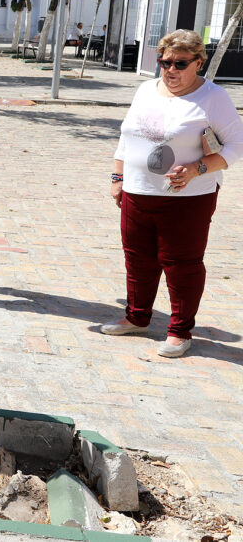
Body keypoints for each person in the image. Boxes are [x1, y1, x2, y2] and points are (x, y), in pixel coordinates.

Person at [104, 29, 243, 358]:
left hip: (188, 199)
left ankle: (180, 331)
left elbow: (238, 144)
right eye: (164, 62)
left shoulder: (213, 97)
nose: (171, 70)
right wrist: (117, 176)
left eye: (180, 63)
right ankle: (137, 318)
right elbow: (127, 136)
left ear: (198, 62)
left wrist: (198, 169)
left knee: (181, 263)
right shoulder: (145, 89)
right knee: (137, 259)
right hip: (138, 191)